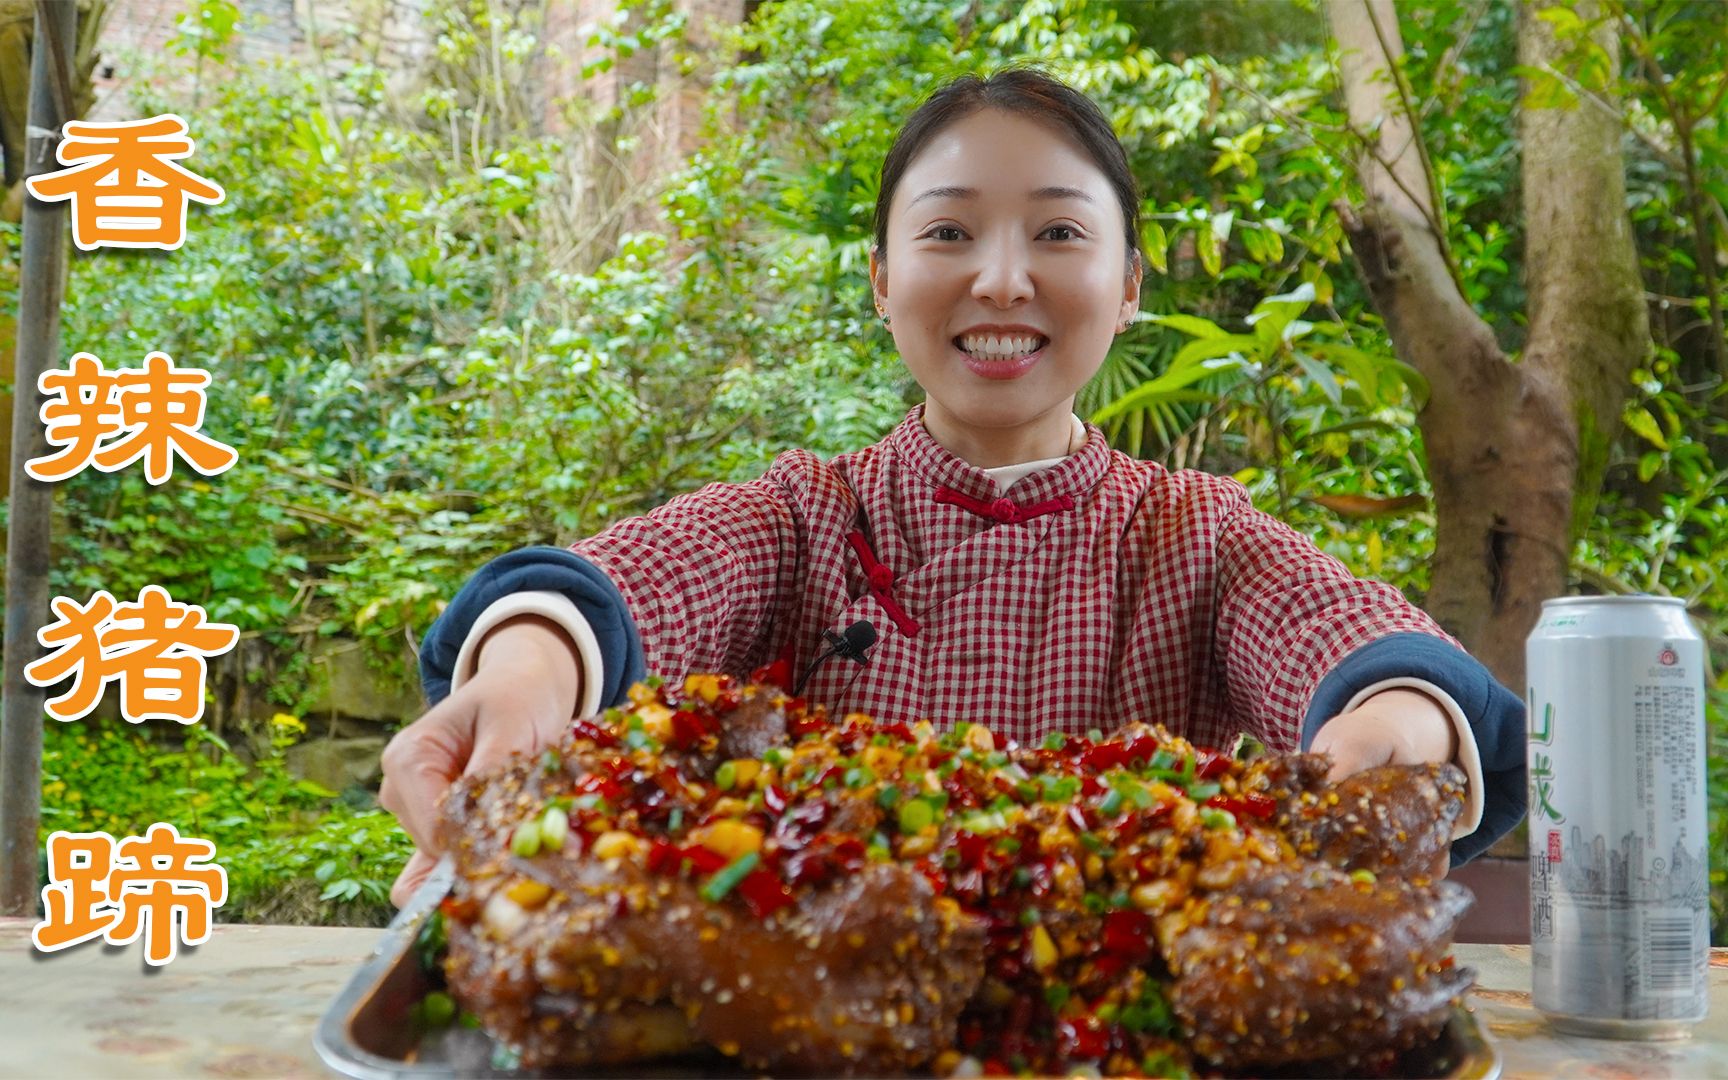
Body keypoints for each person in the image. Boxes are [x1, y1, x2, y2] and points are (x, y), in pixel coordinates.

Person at [380, 67, 1526, 909]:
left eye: (1059, 232)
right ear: (883, 281)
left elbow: (1342, 633)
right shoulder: (803, 516)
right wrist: (533, 662)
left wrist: (1400, 719)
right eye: (949, 232)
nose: (1002, 278)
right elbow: (635, 584)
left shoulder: (1198, 536)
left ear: (1127, 286)